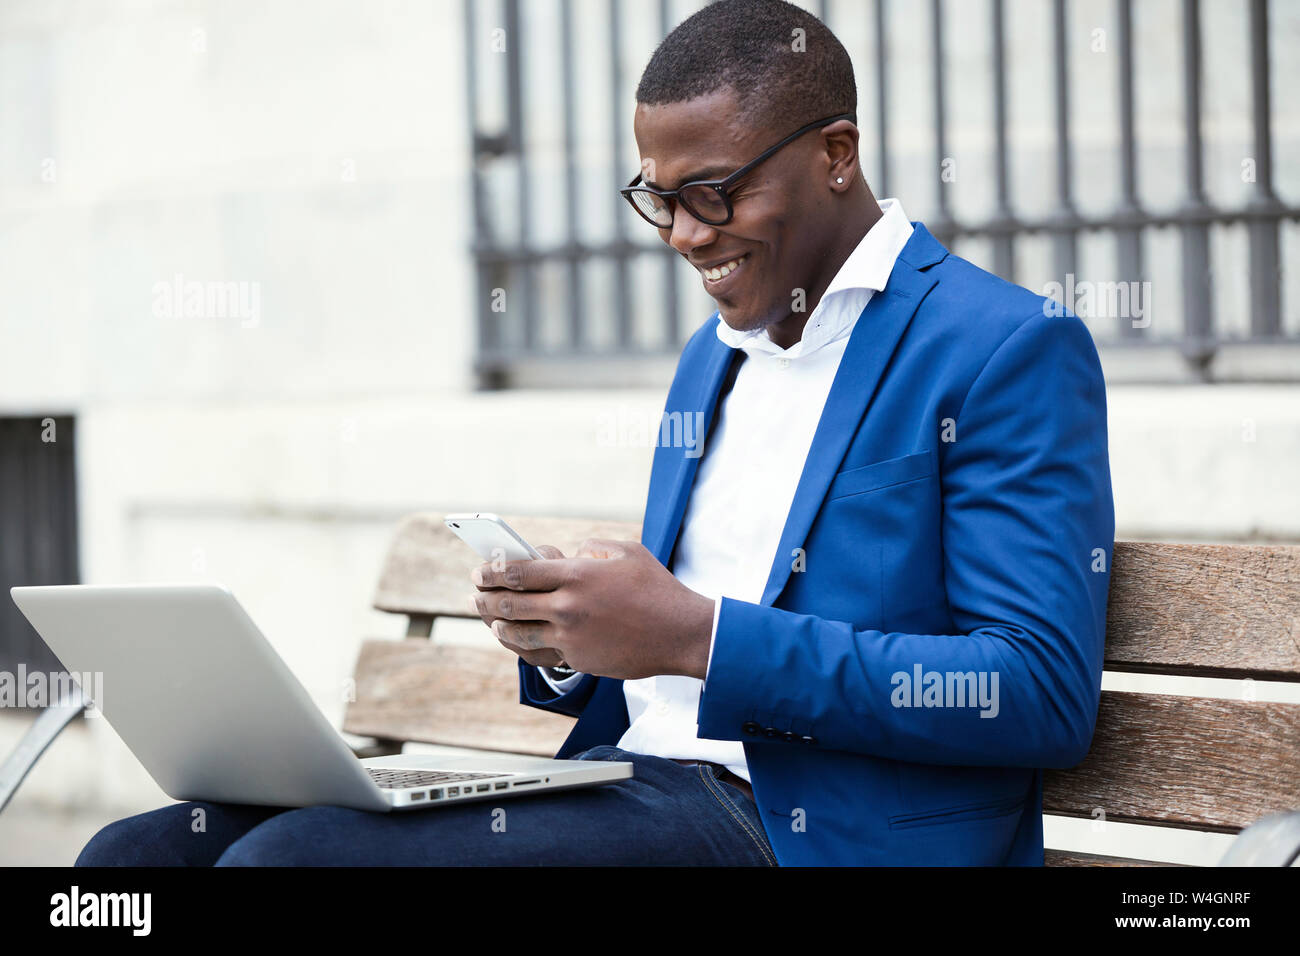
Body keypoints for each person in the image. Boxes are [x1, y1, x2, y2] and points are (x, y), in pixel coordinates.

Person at [76, 0, 1112, 867]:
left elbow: (1032, 690)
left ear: (836, 154)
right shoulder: (716, 351)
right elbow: (661, 634)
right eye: (657, 200)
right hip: (632, 781)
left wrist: (697, 635)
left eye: (711, 192)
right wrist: (568, 635)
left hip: (799, 830)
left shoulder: (1003, 348)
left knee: (290, 861)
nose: (684, 236)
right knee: (138, 854)